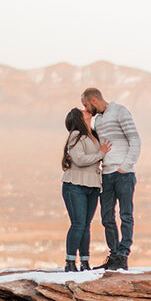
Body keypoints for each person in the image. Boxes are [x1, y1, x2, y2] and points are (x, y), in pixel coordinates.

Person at [82, 87, 140, 270]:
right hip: (106, 174)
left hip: (123, 173)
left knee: (125, 214)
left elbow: (135, 139)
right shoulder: (98, 119)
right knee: (107, 216)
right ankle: (114, 255)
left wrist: (126, 166)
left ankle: (123, 255)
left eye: (85, 104)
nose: (85, 108)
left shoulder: (120, 111)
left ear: (93, 100)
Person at [60, 107, 111, 272]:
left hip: (92, 186)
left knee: (86, 225)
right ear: (78, 118)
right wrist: (101, 154)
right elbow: (80, 160)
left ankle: (84, 261)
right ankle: (69, 262)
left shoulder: (93, 135)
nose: (86, 110)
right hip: (75, 185)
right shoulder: (76, 136)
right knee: (78, 224)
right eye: (82, 111)